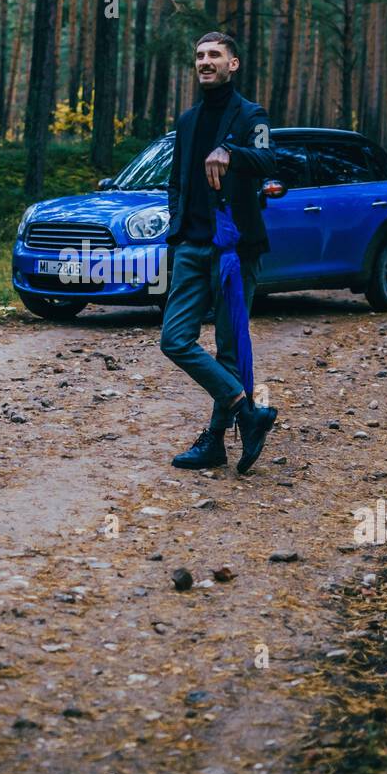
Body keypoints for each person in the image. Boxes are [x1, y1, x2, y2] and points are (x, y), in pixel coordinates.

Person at [160, 31, 278, 473]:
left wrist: (231, 151)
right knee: (174, 339)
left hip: (236, 248)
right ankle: (247, 412)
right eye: (199, 56)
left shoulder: (253, 115)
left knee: (229, 346)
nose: (205, 61)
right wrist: (176, 229)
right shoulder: (188, 120)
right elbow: (177, 181)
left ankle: (214, 442)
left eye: (215, 55)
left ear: (234, 64)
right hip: (191, 247)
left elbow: (270, 159)